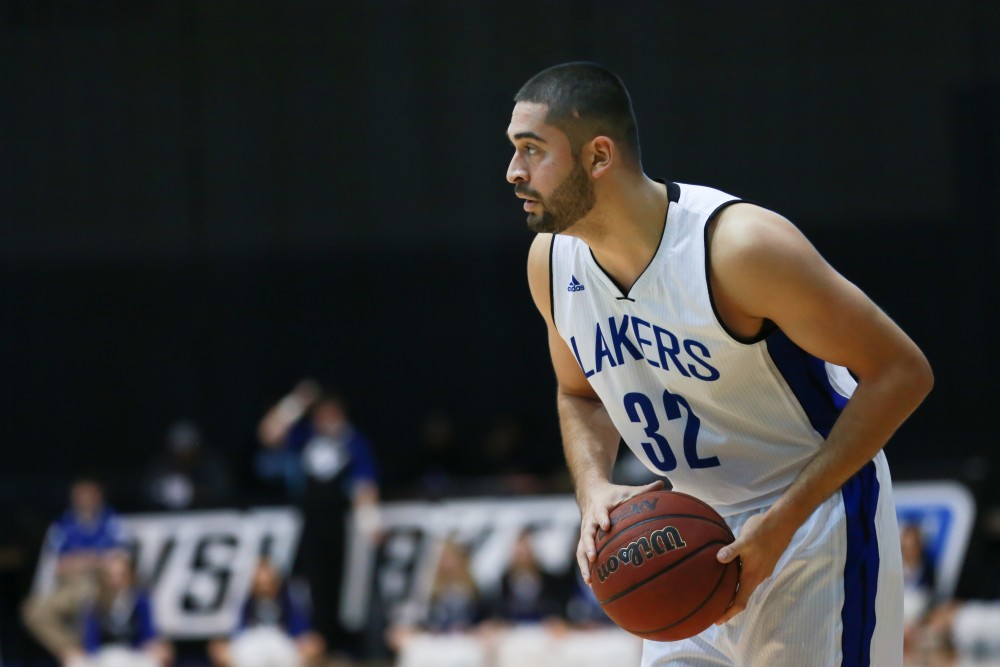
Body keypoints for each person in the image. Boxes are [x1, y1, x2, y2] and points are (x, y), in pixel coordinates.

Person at [508, 62, 933, 666]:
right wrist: (593, 487)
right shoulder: (549, 264)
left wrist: (783, 523)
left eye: (531, 150)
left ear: (598, 156)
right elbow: (578, 394)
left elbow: (902, 371)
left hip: (812, 522)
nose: (513, 172)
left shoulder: (737, 249)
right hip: (687, 531)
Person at [257, 380, 380, 656]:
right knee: (314, 587)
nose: (327, 418)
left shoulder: (352, 441)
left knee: (347, 590)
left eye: (331, 412)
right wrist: (296, 402)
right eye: (321, 413)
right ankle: (320, 644)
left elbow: (365, 485)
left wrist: (369, 521)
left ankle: (346, 648)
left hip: (342, 525)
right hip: (311, 524)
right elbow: (269, 434)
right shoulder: (306, 437)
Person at [22, 477, 127, 666]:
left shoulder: (111, 521)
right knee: (33, 611)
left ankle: (87, 652)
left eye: (88, 495)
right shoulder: (64, 525)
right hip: (70, 585)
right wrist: (94, 558)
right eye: (79, 495)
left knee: (87, 598)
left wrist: (82, 560)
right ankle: (71, 650)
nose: (83, 499)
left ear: (98, 496)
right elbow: (59, 565)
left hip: (104, 586)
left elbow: (117, 560)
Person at [208, 557, 325, 667]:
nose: (264, 588)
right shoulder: (239, 601)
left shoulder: (291, 597)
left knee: (314, 644)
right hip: (248, 648)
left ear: (277, 581)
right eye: (259, 584)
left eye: (268, 583)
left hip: (283, 646)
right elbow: (230, 631)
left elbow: (302, 629)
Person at [77, 551, 171, 667]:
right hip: (104, 656)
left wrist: (155, 646)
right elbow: (91, 638)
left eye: (121, 574)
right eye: (111, 575)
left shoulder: (141, 601)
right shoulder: (96, 602)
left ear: (130, 575)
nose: (117, 580)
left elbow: (148, 633)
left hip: (133, 654)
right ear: (104, 577)